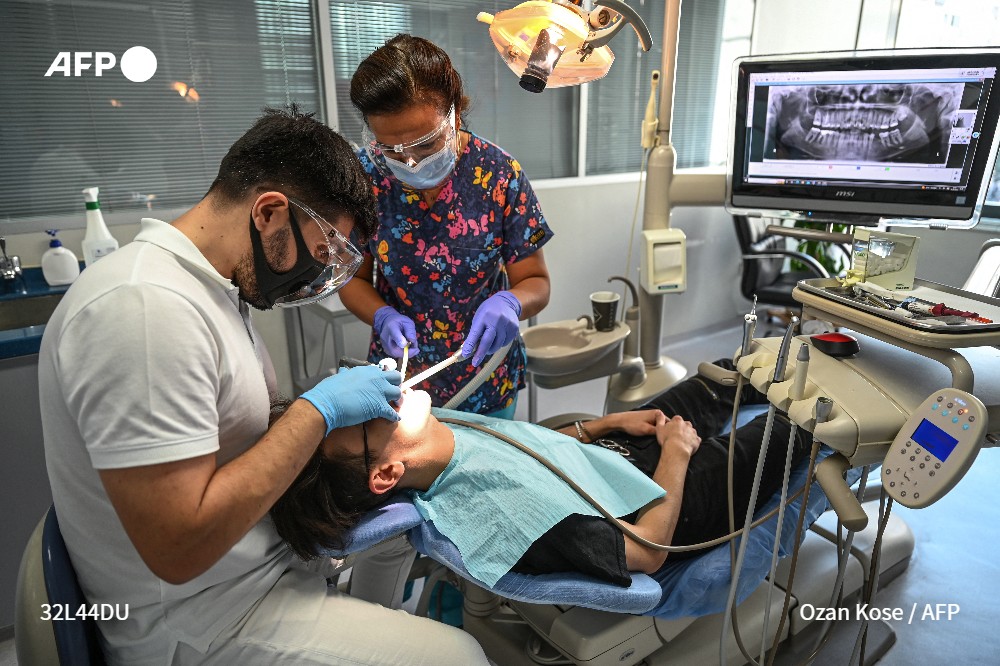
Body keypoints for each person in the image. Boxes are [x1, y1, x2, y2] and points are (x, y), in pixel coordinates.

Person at [38, 106, 490, 665]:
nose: (317, 280)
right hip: (200, 622)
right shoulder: (143, 311)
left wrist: (323, 413)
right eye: (322, 256)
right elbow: (180, 549)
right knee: (459, 656)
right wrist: (316, 412)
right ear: (270, 212)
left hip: (254, 571)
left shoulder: (209, 290)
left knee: (395, 545)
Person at [270, 361, 813, 589]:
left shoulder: (439, 431)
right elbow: (646, 551)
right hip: (661, 504)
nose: (376, 397)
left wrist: (605, 424)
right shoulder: (499, 512)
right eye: (364, 415)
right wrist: (677, 455)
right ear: (386, 473)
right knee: (797, 424)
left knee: (722, 378)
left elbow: (528, 447)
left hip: (611, 456)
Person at [338, 33, 554, 419]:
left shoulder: (499, 175)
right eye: (391, 149)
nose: (410, 162)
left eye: (425, 144)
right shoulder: (364, 177)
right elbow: (352, 281)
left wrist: (510, 301)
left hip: (486, 377)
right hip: (400, 381)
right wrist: (382, 315)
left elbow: (536, 281)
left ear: (455, 113)